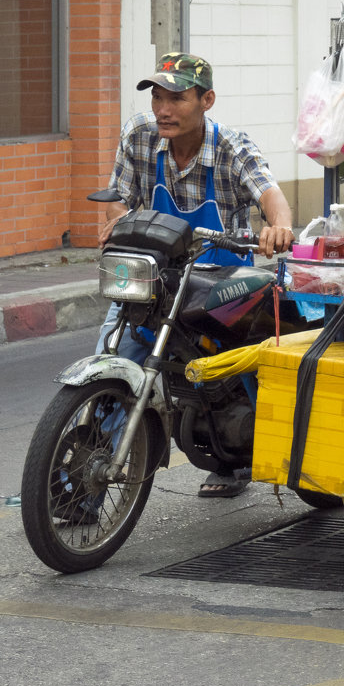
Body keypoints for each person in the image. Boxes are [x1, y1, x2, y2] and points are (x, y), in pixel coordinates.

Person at [97, 52, 295, 496]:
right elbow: (118, 197)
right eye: (158, 97)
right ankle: (84, 473)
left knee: (229, 372)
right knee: (112, 359)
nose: (163, 109)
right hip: (157, 277)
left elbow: (270, 195)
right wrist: (118, 221)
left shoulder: (232, 147)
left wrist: (278, 226)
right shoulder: (139, 136)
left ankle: (232, 456)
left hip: (221, 285)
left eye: (177, 98)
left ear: (206, 100)